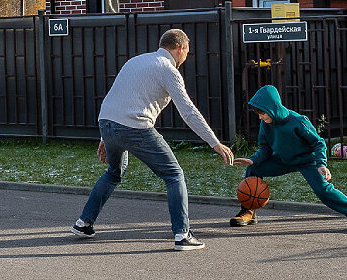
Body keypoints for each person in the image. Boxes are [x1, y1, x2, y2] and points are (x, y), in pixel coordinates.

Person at [70, 29, 235, 251]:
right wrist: (214, 142)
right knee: (174, 175)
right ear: (180, 49)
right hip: (134, 127)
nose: (185, 58)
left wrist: (106, 136)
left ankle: (84, 223)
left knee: (114, 172)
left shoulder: (135, 61)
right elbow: (189, 112)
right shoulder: (168, 69)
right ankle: (182, 235)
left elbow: (115, 96)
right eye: (187, 53)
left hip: (107, 123)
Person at [230, 84, 347, 232]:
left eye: (263, 113)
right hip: (282, 161)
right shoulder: (266, 124)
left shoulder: (298, 121)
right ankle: (248, 211)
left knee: (323, 191)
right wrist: (253, 160)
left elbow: (318, 142)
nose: (261, 117)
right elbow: (265, 148)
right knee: (253, 168)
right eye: (259, 114)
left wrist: (321, 164)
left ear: (272, 108)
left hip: (306, 161)